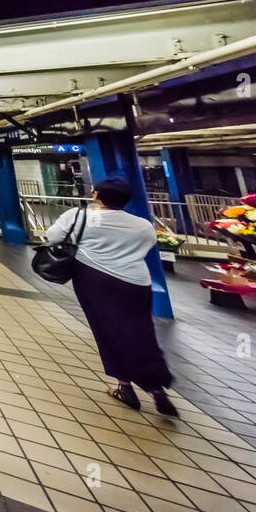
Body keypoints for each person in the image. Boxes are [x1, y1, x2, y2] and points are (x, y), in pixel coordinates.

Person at [45, 177, 177, 417]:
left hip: (95, 280)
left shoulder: (80, 216)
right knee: (141, 331)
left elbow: (53, 237)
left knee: (107, 332)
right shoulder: (143, 224)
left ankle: (125, 386)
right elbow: (147, 247)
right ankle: (156, 386)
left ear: (96, 195)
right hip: (137, 283)